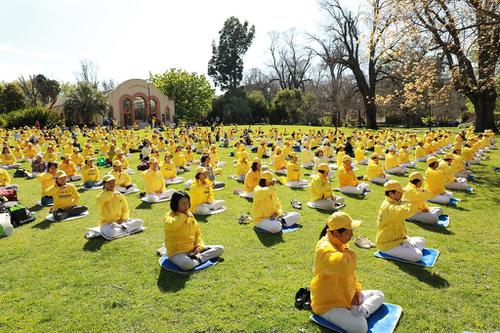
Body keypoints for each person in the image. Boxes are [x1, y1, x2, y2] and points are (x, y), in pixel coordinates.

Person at [311, 212, 385, 333]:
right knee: (361, 328)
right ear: (335, 233)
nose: (352, 234)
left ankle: (363, 310)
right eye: (349, 231)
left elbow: (350, 276)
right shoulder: (324, 247)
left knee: (379, 294)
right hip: (329, 304)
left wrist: (356, 291)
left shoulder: (339, 243)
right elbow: (344, 266)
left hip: (347, 296)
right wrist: (350, 251)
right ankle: (358, 312)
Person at [164, 191, 224, 270]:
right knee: (187, 264)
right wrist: (183, 216)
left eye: (187, 203)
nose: (186, 206)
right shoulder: (169, 216)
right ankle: (199, 259)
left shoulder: (190, 215)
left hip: (192, 250)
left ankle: (197, 258)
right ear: (175, 204)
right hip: (177, 253)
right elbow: (172, 225)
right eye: (183, 204)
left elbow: (197, 233)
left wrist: (198, 248)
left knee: (220, 249)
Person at [375, 180, 425, 262]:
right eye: (400, 192)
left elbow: (407, 203)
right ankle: (408, 247)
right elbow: (406, 211)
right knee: (418, 256)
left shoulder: (394, 202)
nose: (402, 194)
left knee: (422, 240)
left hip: (399, 240)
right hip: (387, 245)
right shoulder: (389, 207)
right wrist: (419, 199)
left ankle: (408, 247)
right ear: (391, 193)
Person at [95, 174, 144, 239]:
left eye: (113, 182)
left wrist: (123, 219)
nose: (112, 184)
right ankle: (125, 228)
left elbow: (125, 209)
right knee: (111, 233)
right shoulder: (100, 196)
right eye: (109, 183)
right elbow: (107, 198)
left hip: (121, 222)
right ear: (104, 184)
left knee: (140, 222)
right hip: (107, 224)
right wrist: (112, 192)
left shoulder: (119, 195)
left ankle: (122, 228)